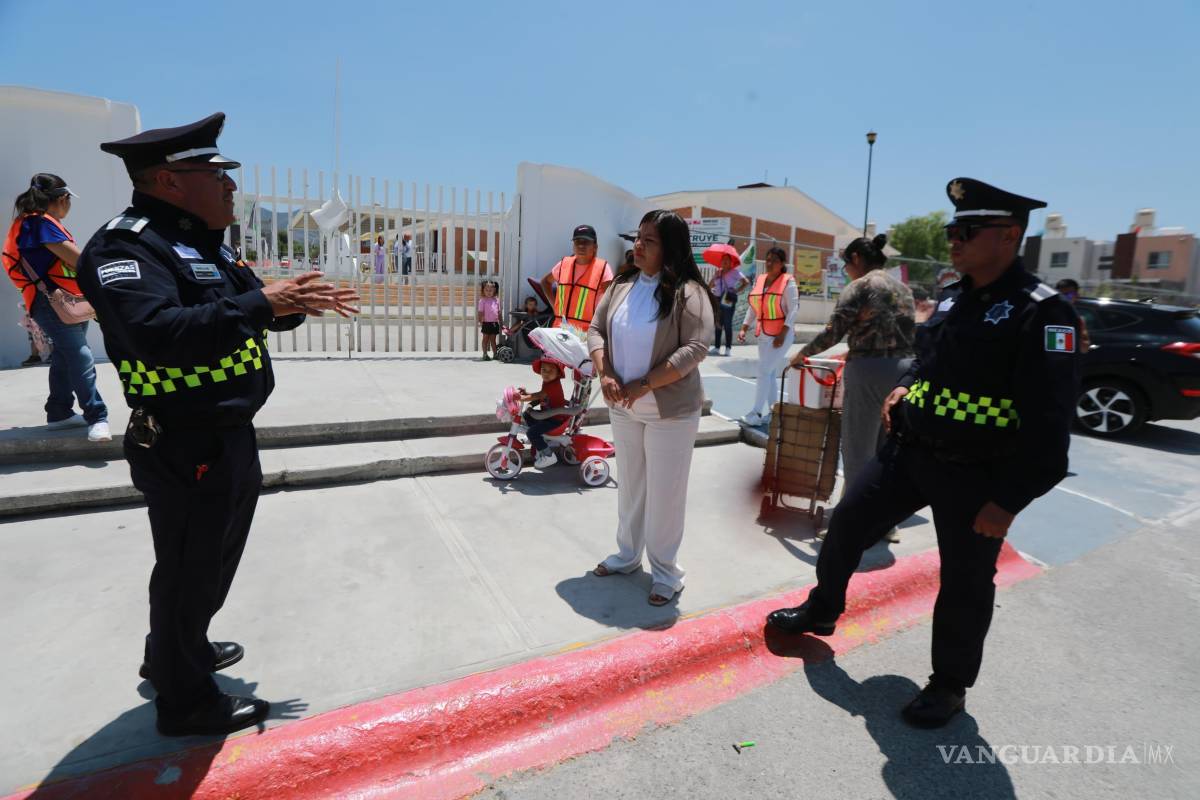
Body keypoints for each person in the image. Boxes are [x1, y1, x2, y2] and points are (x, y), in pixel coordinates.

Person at [76, 112, 359, 737]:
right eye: (216, 173)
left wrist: (286, 304)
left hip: (225, 433)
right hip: (181, 437)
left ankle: (178, 651)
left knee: (206, 562)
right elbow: (156, 335)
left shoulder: (203, 241)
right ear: (166, 180)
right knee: (188, 567)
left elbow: (246, 308)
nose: (230, 185)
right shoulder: (125, 248)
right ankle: (184, 702)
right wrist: (261, 303)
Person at [766, 178, 1080, 729]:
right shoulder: (956, 295)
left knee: (963, 581)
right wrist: (906, 384)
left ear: (1009, 235)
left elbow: (1051, 430)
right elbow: (927, 358)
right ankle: (823, 609)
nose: (954, 240)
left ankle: (950, 684)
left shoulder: (1044, 314)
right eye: (951, 230)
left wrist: (1006, 502)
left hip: (978, 476)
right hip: (909, 457)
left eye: (967, 231)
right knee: (846, 523)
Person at [588, 210, 715, 606]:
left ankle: (665, 573)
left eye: (649, 240)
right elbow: (595, 329)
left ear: (670, 247)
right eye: (637, 238)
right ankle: (627, 556)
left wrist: (644, 383)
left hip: (669, 411)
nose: (638, 245)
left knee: (665, 493)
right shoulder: (621, 285)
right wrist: (605, 372)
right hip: (623, 406)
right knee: (631, 486)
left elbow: (695, 348)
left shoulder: (688, 292)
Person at [792, 234, 915, 543]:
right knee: (885, 451)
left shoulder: (859, 287)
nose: (846, 268)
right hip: (902, 374)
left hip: (869, 374)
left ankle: (850, 522)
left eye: (847, 262)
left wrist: (803, 354)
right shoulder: (903, 289)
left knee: (858, 450)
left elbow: (835, 330)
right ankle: (885, 521)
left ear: (857, 258)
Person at [4, 173, 110, 441]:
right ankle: (97, 416)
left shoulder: (30, 223)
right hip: (55, 301)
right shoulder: (41, 224)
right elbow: (78, 261)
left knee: (65, 355)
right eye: (68, 201)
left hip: (65, 300)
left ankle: (59, 411)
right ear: (62, 198)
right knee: (80, 355)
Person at [737, 247, 797, 426]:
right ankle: (774, 412)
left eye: (774, 260)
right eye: (768, 259)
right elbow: (754, 305)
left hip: (781, 336)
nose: (769, 263)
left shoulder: (788, 282)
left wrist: (783, 333)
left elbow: (794, 309)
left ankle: (755, 412)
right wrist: (744, 327)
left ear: (782, 264)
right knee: (768, 373)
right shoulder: (761, 280)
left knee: (763, 371)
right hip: (764, 334)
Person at [540, 224, 614, 333]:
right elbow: (545, 282)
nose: (581, 245)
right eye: (577, 241)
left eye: (586, 242)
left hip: (585, 336)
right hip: (559, 331)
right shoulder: (564, 264)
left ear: (595, 246)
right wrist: (554, 307)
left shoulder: (603, 268)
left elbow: (612, 300)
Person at [517, 359, 570, 468]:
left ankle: (549, 456)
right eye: (543, 369)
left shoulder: (553, 385)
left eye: (551, 370)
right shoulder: (549, 381)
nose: (546, 373)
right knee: (527, 415)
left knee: (532, 432)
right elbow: (541, 395)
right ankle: (537, 437)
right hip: (548, 415)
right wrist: (526, 394)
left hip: (555, 420)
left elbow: (538, 396)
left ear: (558, 373)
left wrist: (522, 398)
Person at [707, 247, 749, 356]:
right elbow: (709, 286)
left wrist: (736, 290)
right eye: (723, 259)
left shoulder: (735, 272)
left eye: (727, 260)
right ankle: (716, 347)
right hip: (717, 300)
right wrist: (715, 276)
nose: (724, 261)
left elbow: (746, 282)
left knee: (727, 324)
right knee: (718, 324)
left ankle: (728, 348)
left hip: (728, 300)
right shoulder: (718, 272)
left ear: (731, 262)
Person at [1054, 278, 1091, 352]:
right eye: (1061, 295)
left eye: (1069, 295)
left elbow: (1085, 347)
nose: (1064, 299)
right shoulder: (1043, 313)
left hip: (1065, 360)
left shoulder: (1078, 319)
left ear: (1076, 295)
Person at [477, 279, 501, 360]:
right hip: (486, 323)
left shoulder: (496, 300)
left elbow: (499, 311)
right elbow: (480, 312)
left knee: (493, 340)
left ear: (494, 290)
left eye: (490, 290)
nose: (488, 292)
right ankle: (484, 354)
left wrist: (501, 321)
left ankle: (495, 354)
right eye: (486, 290)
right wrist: (480, 321)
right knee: (485, 339)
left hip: (494, 323)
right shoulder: (482, 300)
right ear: (483, 291)